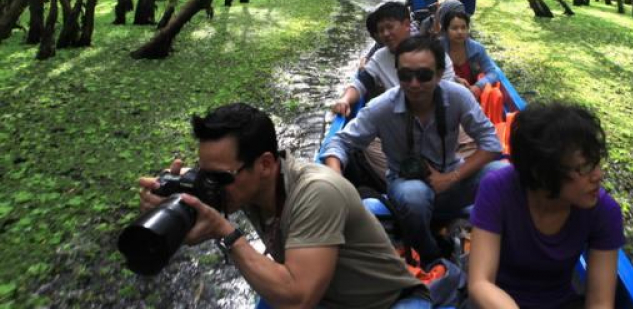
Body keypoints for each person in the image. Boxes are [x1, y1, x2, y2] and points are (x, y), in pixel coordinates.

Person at [138, 103, 431, 309]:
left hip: (388, 302)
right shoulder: (237, 181)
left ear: (265, 164)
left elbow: (298, 298)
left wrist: (225, 233)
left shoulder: (317, 192)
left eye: (217, 177)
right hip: (326, 298)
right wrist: (168, 205)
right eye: (204, 174)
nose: (210, 185)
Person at [322, 37, 506, 267]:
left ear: (439, 74)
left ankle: (499, 243)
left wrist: (450, 179)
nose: (414, 84)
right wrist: (336, 179)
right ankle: (432, 254)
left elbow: (491, 143)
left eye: (424, 75)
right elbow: (340, 142)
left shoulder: (458, 97)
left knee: (503, 173)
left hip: (452, 177)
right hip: (406, 184)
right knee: (414, 196)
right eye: (405, 76)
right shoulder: (382, 107)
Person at [468, 102, 625, 309]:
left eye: (597, 163)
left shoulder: (604, 211)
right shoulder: (498, 189)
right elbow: (480, 283)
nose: (598, 176)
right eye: (585, 168)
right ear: (541, 172)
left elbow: (600, 302)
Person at [332, 2, 456, 189]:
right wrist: (345, 99)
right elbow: (361, 82)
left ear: (407, 24)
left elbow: (448, 94)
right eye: (381, 31)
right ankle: (416, 180)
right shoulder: (381, 57)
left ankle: (423, 179)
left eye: (390, 27)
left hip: (436, 127)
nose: (385, 34)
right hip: (401, 128)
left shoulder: (434, 52)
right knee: (367, 144)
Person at [439, 10, 502, 100]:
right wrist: (454, 79)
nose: (460, 32)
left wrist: (477, 86)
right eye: (454, 28)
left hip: (470, 96)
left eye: (463, 27)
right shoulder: (438, 48)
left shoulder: (477, 49)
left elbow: (493, 73)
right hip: (444, 95)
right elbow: (431, 74)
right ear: (446, 30)